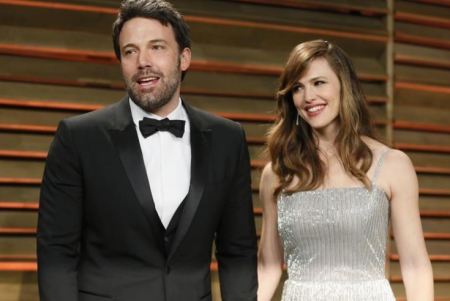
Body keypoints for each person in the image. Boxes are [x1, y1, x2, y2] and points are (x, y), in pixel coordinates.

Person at [37, 1, 258, 300]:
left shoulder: (227, 138)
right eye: (130, 51)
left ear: (184, 58)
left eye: (157, 47)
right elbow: (56, 252)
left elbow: (238, 251)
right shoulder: (78, 137)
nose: (143, 61)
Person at [257, 39, 433, 300]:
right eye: (297, 87)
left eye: (319, 83)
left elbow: (415, 266)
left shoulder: (393, 165)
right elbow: (268, 266)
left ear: (344, 86)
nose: (308, 97)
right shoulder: (277, 173)